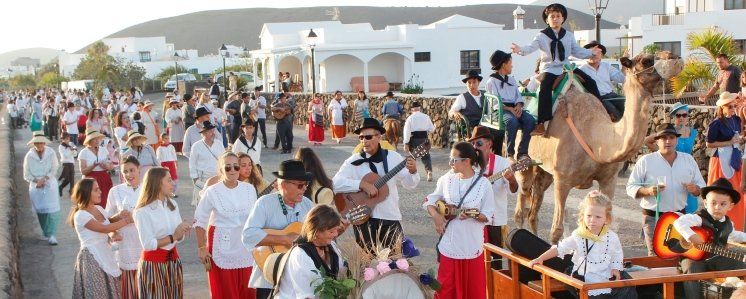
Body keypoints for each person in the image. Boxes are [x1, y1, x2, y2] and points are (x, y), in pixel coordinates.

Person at [510, 3, 602, 136]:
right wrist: (520, 50)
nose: (555, 18)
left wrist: (590, 53)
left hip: (566, 67)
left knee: (591, 82)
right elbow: (530, 47)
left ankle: (602, 110)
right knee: (545, 88)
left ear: (563, 18)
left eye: (558, 16)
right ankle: (542, 123)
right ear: (547, 20)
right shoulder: (541, 36)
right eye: (552, 16)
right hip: (550, 68)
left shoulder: (569, 35)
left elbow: (576, 51)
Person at [528, 191, 637, 298]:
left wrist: (615, 268)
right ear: (583, 215)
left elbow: (616, 254)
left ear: (607, 218)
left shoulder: (612, 237)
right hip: (586, 277)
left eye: (598, 217)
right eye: (589, 215)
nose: (592, 220)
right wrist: (540, 258)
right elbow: (560, 248)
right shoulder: (579, 235)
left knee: (628, 288)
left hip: (606, 275)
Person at [333, 118, 419, 251]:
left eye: (368, 137)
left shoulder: (393, 157)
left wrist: (413, 171)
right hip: (361, 217)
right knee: (366, 262)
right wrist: (361, 184)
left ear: (379, 136)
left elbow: (409, 184)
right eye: (361, 137)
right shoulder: (354, 160)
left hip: (389, 215)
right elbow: (335, 183)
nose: (364, 141)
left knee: (398, 259)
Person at [424, 141, 494, 299]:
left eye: (454, 160)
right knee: (445, 292)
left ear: (467, 161)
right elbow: (428, 201)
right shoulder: (446, 180)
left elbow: (488, 216)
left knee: (473, 293)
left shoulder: (484, 185)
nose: (450, 163)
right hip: (449, 246)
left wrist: (473, 214)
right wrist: (436, 216)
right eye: (450, 159)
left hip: (472, 247)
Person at [626, 123, 706, 255]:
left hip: (680, 218)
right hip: (653, 218)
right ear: (657, 141)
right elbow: (630, 187)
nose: (668, 141)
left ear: (676, 139)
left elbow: (702, 188)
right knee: (656, 258)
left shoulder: (688, 160)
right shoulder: (646, 161)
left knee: (680, 257)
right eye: (663, 138)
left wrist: (695, 189)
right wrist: (648, 191)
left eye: (671, 137)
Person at [242, 159, 316, 299]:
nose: (305, 188)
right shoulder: (264, 203)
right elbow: (248, 235)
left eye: (306, 184)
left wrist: (338, 228)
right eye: (300, 185)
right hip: (270, 274)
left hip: (298, 275)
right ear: (284, 185)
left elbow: (319, 234)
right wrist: (284, 239)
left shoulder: (308, 205)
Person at [194, 152, 258, 298]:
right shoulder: (212, 191)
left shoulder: (249, 189)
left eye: (236, 166)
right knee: (226, 292)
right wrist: (201, 248)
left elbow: (255, 219)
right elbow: (200, 221)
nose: (233, 170)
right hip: (222, 247)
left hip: (245, 247)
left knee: (247, 291)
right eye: (228, 167)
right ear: (221, 170)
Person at [674, 178, 746, 299]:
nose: (717, 207)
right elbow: (679, 222)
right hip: (694, 257)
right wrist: (691, 236)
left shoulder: (728, 224)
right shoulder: (699, 218)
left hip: (716, 257)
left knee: (742, 261)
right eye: (713, 203)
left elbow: (735, 235)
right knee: (693, 270)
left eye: (723, 204)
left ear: (730, 206)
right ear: (706, 203)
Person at [133, 167, 192, 298]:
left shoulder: (173, 204)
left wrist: (182, 229)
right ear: (158, 183)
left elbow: (179, 238)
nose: (173, 183)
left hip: (174, 262)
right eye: (169, 180)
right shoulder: (143, 211)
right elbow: (148, 244)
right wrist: (174, 236)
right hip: (153, 266)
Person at [70, 178, 132, 298]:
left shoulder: (98, 209)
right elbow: (104, 228)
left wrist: (119, 216)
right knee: (97, 293)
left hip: (105, 253)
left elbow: (107, 221)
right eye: (96, 190)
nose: (100, 192)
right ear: (87, 193)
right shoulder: (80, 215)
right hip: (92, 257)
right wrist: (127, 220)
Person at [469, 126, 518, 270]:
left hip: (495, 219)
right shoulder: (469, 162)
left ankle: (494, 289)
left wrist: (512, 180)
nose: (474, 147)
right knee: (474, 256)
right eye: (472, 144)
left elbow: (513, 191)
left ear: (489, 144)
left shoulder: (502, 163)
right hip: (472, 217)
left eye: (478, 143)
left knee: (495, 260)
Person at [273, 205, 346, 298]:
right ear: (316, 232)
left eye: (336, 230)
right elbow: (306, 296)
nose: (336, 234)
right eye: (331, 232)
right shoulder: (300, 255)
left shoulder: (331, 246)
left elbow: (342, 271)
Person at [644, 102, 699, 213]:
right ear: (674, 116)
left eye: (684, 115)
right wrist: (661, 149)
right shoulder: (669, 131)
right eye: (678, 115)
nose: (681, 118)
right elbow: (647, 141)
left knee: (690, 201)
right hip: (671, 165)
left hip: (686, 166)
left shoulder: (693, 132)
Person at [706, 91, 746, 230]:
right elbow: (709, 144)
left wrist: (738, 140)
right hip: (720, 161)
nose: (732, 109)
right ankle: (716, 228)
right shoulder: (716, 123)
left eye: (734, 106)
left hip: (734, 158)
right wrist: (728, 142)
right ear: (722, 108)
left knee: (736, 192)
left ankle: (737, 227)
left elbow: (738, 136)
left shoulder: (736, 120)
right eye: (729, 106)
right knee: (721, 192)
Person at [486, 50, 536, 159]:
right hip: (501, 109)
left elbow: (518, 95)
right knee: (512, 122)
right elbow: (495, 102)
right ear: (504, 64)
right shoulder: (492, 81)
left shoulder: (512, 80)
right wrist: (510, 109)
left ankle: (522, 152)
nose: (512, 66)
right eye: (510, 62)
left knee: (530, 120)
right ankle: (510, 153)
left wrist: (518, 106)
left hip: (515, 107)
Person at [105, 156, 143, 298]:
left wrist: (137, 218)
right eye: (125, 171)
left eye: (132, 170)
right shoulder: (115, 191)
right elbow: (106, 220)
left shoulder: (148, 189)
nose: (128, 175)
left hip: (144, 242)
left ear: (139, 169)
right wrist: (116, 226)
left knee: (145, 284)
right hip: (124, 244)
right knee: (127, 287)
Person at [449, 70, 504, 155]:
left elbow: (491, 111)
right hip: (472, 128)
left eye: (474, 82)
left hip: (486, 125)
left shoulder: (486, 95)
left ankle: (496, 156)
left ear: (478, 82)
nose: (471, 85)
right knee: (487, 132)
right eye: (469, 83)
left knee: (499, 131)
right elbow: (451, 112)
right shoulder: (462, 97)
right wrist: (455, 113)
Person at [23, 131, 62, 245]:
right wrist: (36, 181)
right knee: (41, 211)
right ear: (34, 144)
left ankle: (52, 234)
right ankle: (46, 232)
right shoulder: (29, 156)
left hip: (49, 183)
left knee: (53, 211)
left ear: (44, 143)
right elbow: (26, 174)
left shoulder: (51, 153)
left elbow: (55, 167)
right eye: (37, 143)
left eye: (41, 143)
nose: (39, 145)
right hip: (36, 186)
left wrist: (45, 178)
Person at [579, 41, 626, 121]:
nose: (594, 55)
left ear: (602, 55)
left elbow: (621, 79)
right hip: (596, 99)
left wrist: (625, 65)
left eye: (598, 53)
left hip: (611, 95)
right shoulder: (581, 70)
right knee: (615, 114)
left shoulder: (606, 66)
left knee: (628, 105)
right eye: (592, 52)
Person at [189, 121, 225, 206]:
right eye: (210, 131)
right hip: (203, 178)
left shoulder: (219, 144)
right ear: (204, 133)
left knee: (218, 204)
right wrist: (195, 179)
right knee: (203, 204)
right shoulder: (196, 146)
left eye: (213, 130)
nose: (213, 133)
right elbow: (192, 163)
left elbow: (224, 160)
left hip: (218, 178)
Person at [78, 130, 115, 208]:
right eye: (95, 139)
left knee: (106, 202)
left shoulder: (103, 150)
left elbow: (111, 166)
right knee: (91, 204)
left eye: (98, 138)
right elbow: (83, 171)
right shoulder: (83, 152)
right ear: (89, 140)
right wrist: (93, 165)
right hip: (90, 181)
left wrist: (106, 166)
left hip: (104, 178)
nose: (97, 141)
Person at [403, 101, 435, 181]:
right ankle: (429, 172)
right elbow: (432, 129)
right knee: (426, 156)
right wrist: (427, 130)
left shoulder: (410, 118)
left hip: (414, 139)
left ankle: (412, 174)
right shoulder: (426, 117)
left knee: (413, 156)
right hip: (424, 139)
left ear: (412, 109)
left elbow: (407, 131)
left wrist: (406, 143)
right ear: (419, 108)